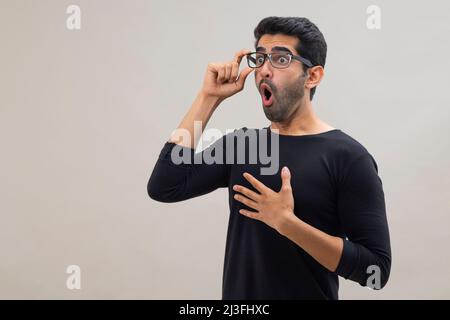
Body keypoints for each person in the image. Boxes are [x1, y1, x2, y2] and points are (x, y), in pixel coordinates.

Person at [147, 16, 391, 299]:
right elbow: (165, 185)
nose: (264, 69)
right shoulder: (244, 145)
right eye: (260, 58)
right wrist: (208, 97)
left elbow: (376, 271)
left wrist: (288, 225)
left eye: (280, 59)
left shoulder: (348, 157)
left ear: (312, 76)